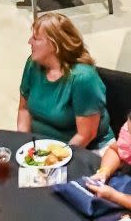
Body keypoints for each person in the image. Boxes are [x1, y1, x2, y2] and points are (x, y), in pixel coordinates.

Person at [17, 12, 109, 146]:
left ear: (55, 45)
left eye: (36, 38)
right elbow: (24, 109)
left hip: (82, 149)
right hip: (40, 147)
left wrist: (53, 160)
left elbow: (86, 135)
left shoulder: (83, 78)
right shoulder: (33, 64)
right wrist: (23, 144)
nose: (29, 41)